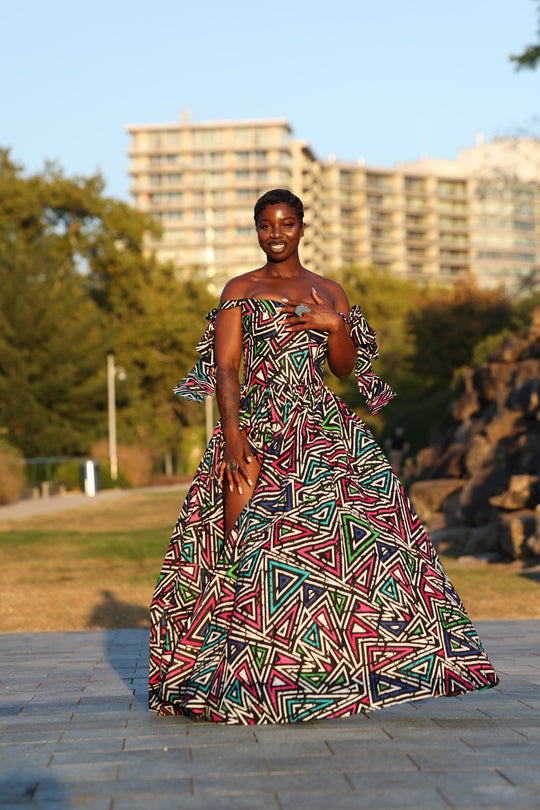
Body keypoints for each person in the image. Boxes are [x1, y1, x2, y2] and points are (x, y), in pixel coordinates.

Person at [149, 189, 498, 724]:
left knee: (345, 552)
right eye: (266, 224)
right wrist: (233, 434)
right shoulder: (240, 291)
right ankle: (236, 677)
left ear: (303, 228)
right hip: (258, 429)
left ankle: (321, 676)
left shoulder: (329, 290)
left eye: (286, 224)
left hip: (322, 432)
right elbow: (225, 370)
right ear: (256, 229)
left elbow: (342, 369)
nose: (276, 233)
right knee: (247, 545)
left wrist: (336, 326)